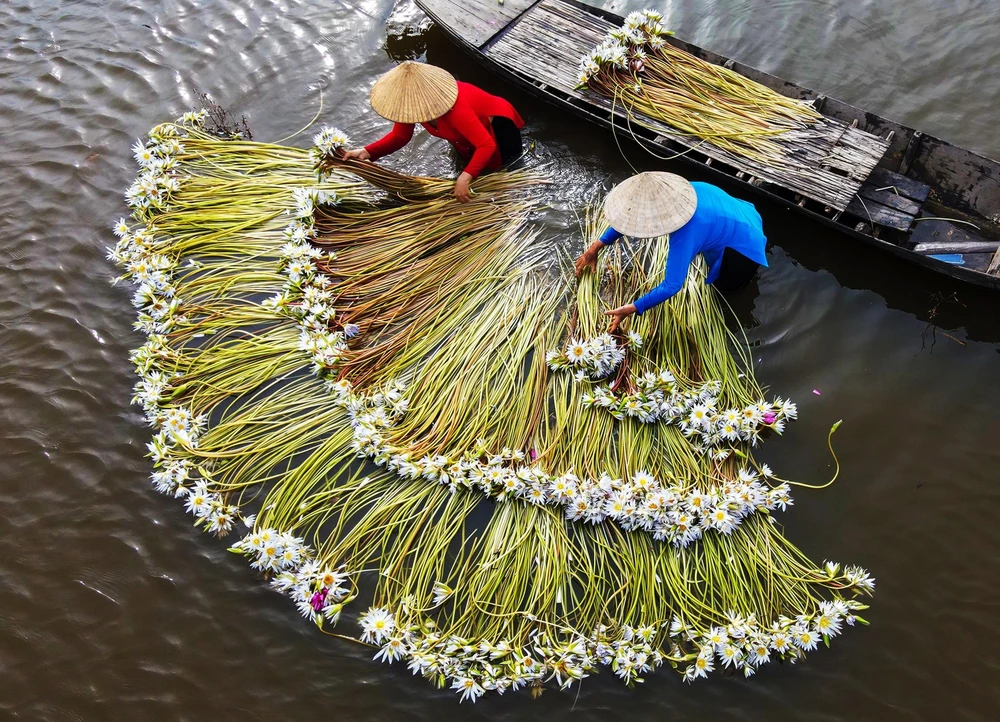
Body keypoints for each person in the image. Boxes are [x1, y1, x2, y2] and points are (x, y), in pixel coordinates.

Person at [574, 172, 768, 332]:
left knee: (726, 288)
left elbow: (672, 285)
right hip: (740, 214)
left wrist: (633, 308)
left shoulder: (686, 231)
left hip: (743, 246)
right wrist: (596, 246)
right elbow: (631, 218)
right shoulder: (683, 192)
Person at [342, 61, 524, 202]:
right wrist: (366, 152)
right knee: (470, 164)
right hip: (467, 136)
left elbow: (486, 144)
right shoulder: (411, 107)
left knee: (504, 170)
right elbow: (400, 136)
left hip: (498, 128)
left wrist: (465, 178)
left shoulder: (456, 110)